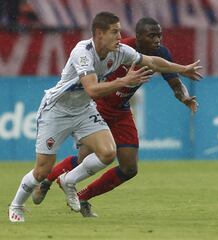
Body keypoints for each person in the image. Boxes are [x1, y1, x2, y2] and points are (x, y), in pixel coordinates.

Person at [8, 12, 202, 223]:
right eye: (114, 31)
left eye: (119, 31)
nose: (119, 35)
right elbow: (92, 90)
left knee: (111, 155)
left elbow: (153, 62)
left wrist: (183, 70)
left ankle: (71, 184)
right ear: (100, 34)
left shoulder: (120, 51)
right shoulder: (83, 52)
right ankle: (19, 203)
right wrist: (125, 81)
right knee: (44, 169)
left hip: (89, 110)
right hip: (60, 109)